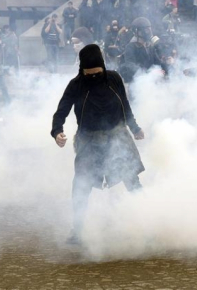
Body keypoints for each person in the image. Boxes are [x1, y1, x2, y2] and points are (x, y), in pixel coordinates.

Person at [51, 44, 145, 244]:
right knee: (81, 186)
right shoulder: (76, 85)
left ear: (103, 67)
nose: (93, 77)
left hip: (118, 137)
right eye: (88, 74)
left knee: (132, 180)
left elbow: (125, 105)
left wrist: (135, 128)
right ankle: (77, 232)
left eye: (97, 73)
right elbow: (62, 110)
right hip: (89, 140)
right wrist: (57, 131)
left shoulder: (114, 79)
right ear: (82, 71)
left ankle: (148, 223)